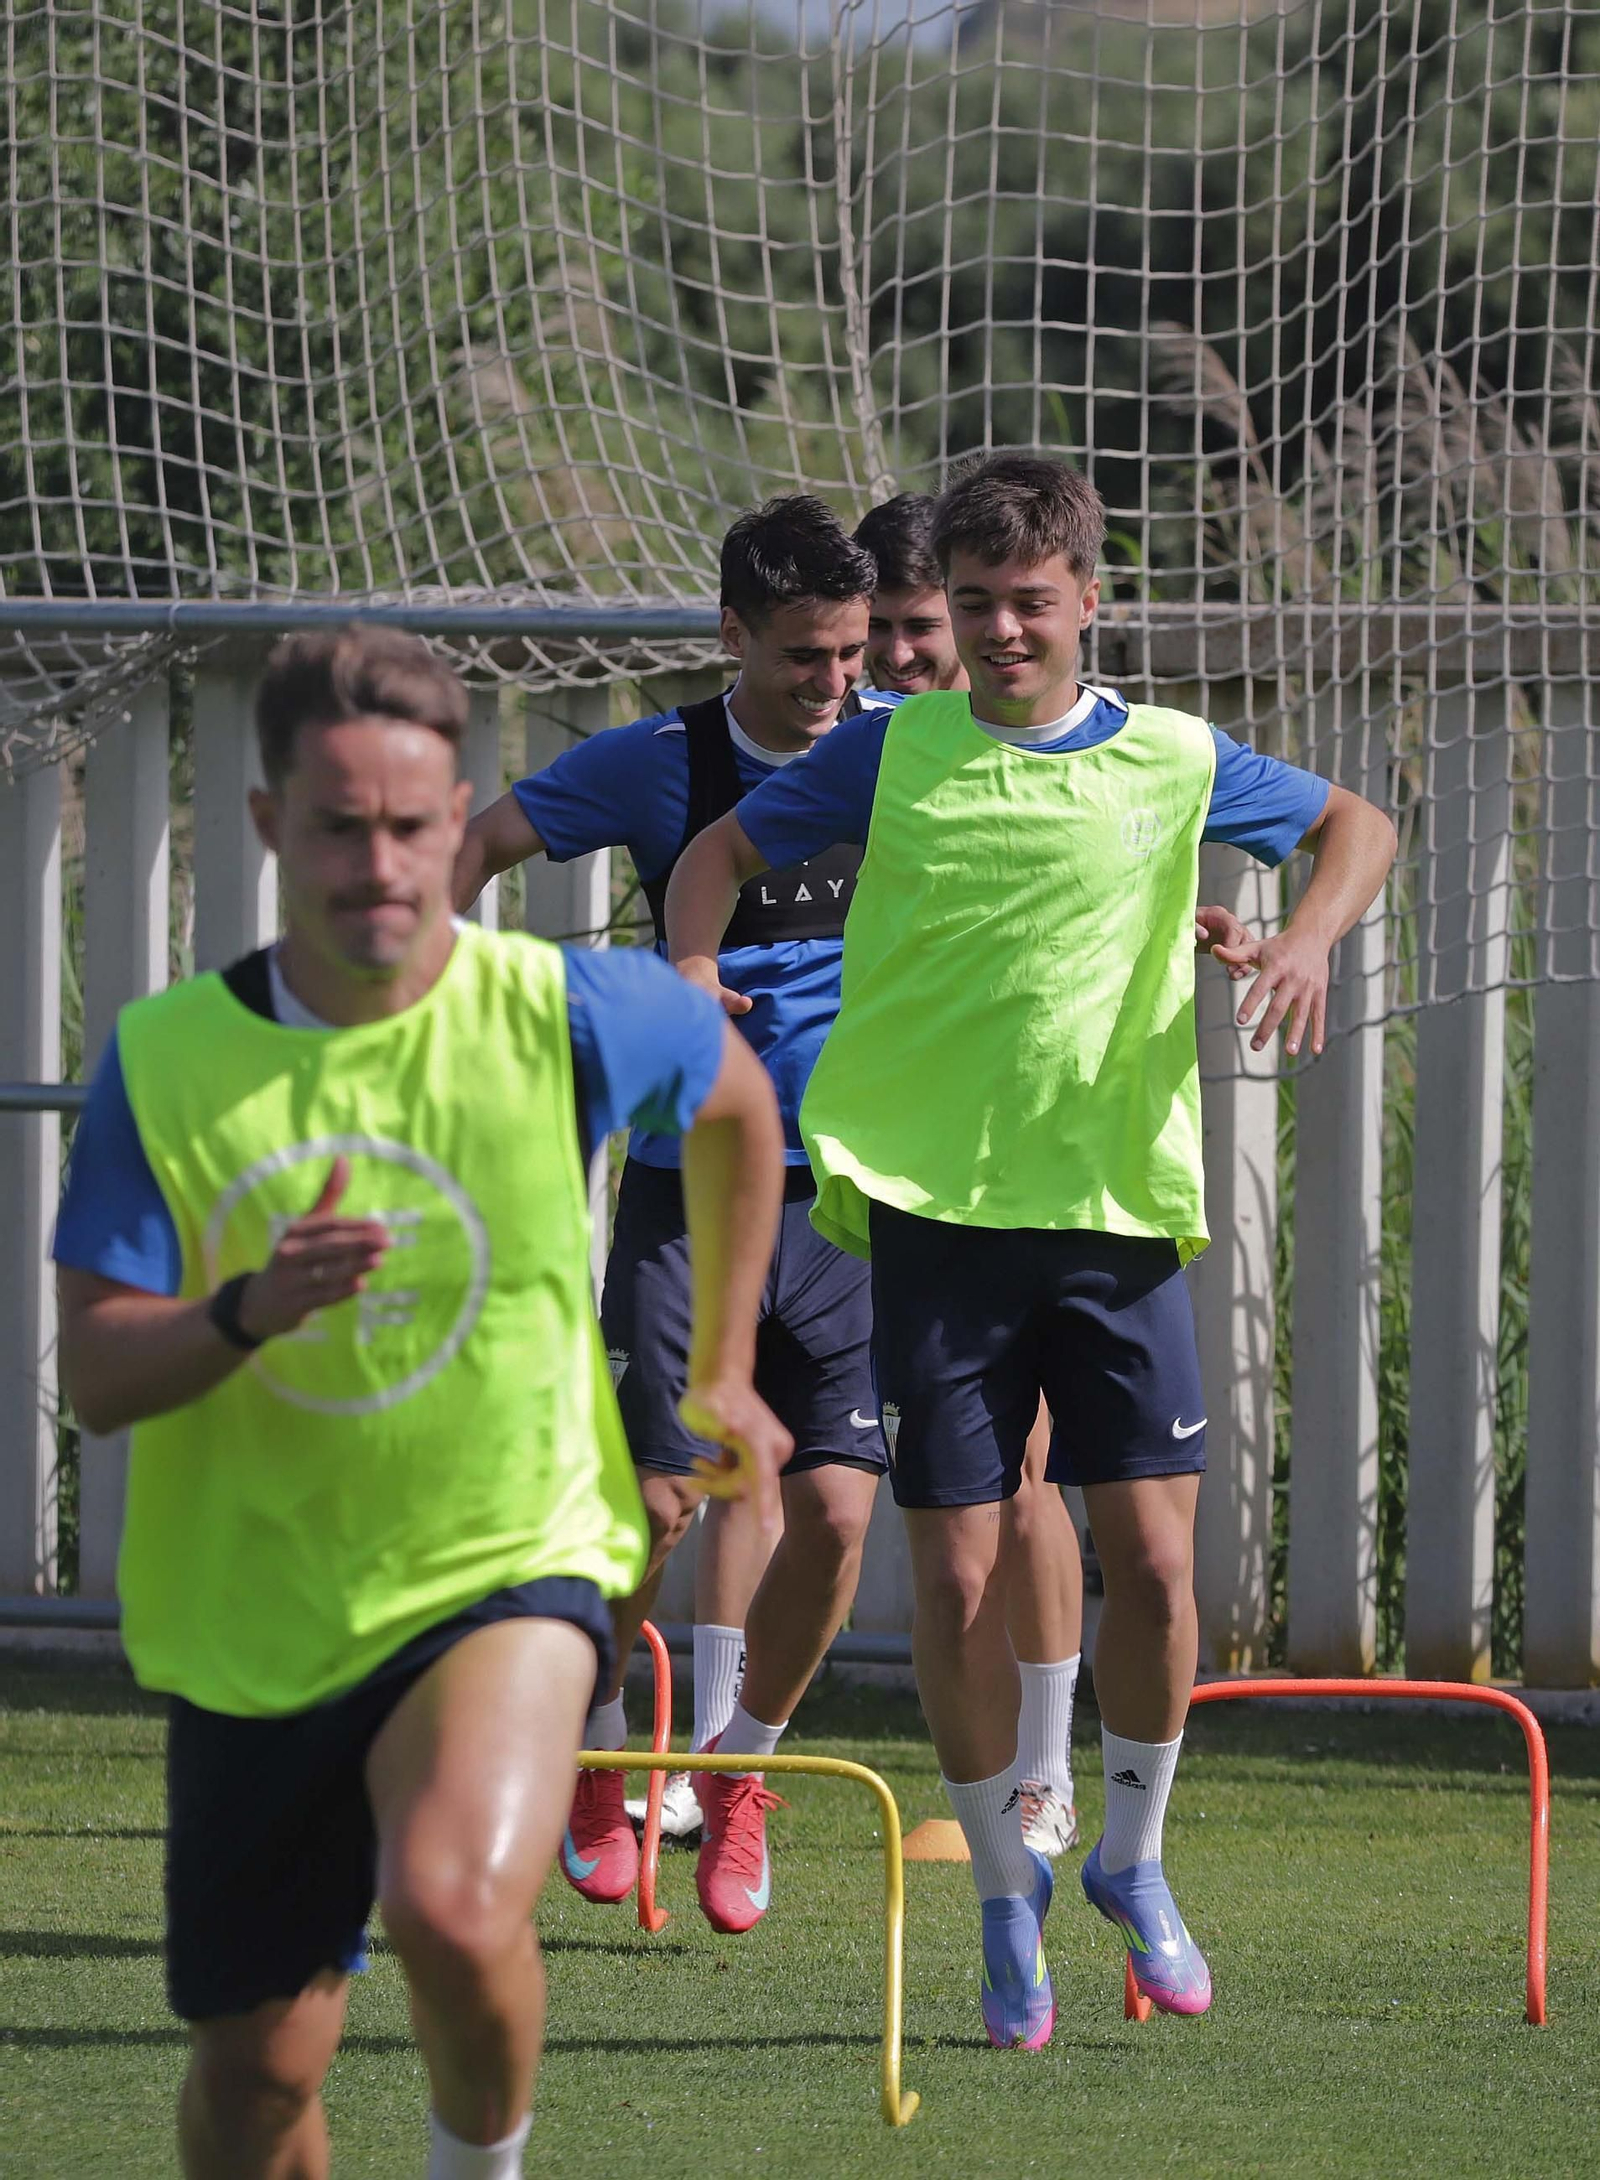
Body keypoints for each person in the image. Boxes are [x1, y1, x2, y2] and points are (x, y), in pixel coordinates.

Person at [667, 453, 1399, 2048]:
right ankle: (1005, 1893)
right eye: (978, 604)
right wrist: (690, 974)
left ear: (1089, 605)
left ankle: (1130, 1860)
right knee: (962, 1568)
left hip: (1118, 1214)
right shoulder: (892, 751)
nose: (1002, 631)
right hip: (930, 1216)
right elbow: (713, 855)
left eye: (1031, 603)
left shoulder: (1176, 760)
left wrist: (1305, 936)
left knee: (1150, 1564)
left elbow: (1359, 823)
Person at [53, 625, 791, 2180]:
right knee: (262, 2074)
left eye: (410, 826)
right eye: (337, 825)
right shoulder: (169, 1062)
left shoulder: (564, 1008)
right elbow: (100, 1374)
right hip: (257, 1606)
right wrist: (251, 1308)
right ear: (269, 827)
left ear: (458, 820)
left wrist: (721, 1364)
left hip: (507, 1554)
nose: (378, 862)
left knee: (455, 1907)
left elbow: (735, 1101)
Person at [453, 496, 895, 1934]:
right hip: (683, 1193)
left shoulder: (903, 747)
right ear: (729, 639)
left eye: (849, 654)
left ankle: (737, 1777)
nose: (831, 685)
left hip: (852, 1197)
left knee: (836, 1513)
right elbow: (474, 852)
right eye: (801, 660)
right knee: (652, 1502)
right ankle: (592, 1764)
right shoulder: (655, 765)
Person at [856, 490, 1085, 1854]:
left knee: (1028, 1473)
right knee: (902, 1505)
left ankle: (1042, 1782)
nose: (899, 656)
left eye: (917, 628)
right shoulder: (855, 752)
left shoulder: (1031, 738)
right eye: (877, 631)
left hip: (1007, 1153)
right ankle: (727, 1767)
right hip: (859, 1143)